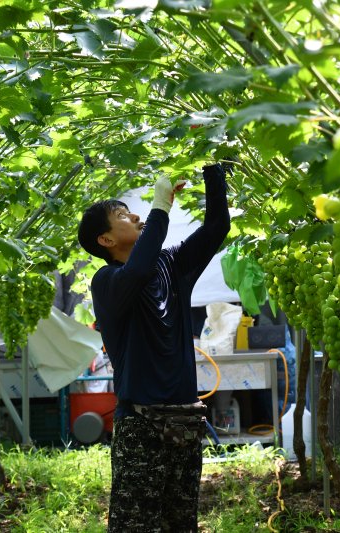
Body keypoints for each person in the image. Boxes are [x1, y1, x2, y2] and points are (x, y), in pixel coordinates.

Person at [77, 163, 230, 532]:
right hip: (141, 424)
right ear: (106, 241)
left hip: (185, 421)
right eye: (121, 215)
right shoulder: (108, 281)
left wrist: (213, 168)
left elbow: (216, 228)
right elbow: (139, 270)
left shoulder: (171, 263)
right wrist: (161, 205)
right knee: (136, 525)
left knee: (181, 522)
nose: (134, 214)